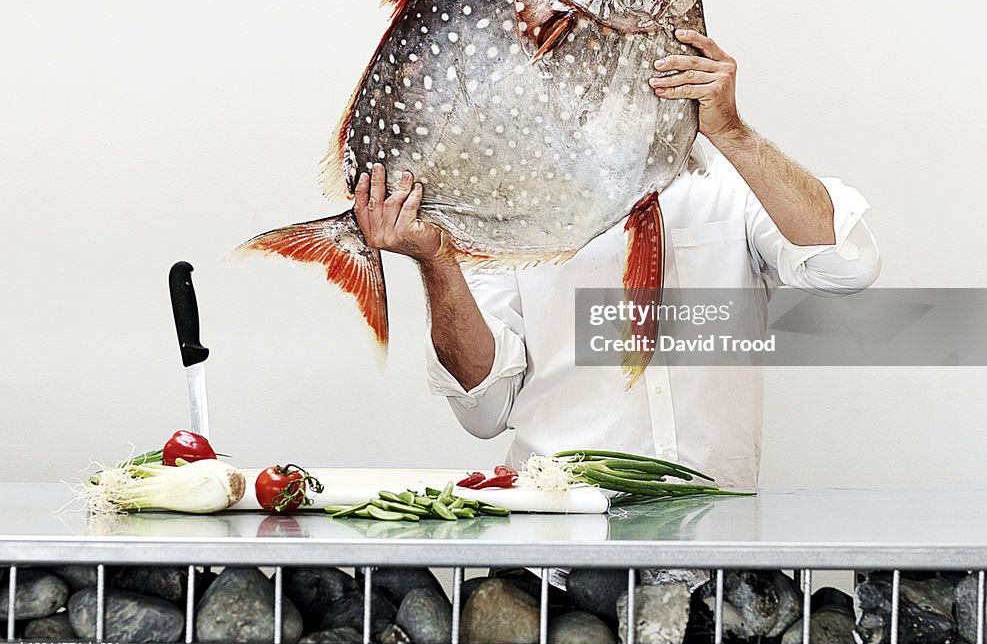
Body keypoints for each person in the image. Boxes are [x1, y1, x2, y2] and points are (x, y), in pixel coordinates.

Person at [352, 28, 881, 487]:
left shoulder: (730, 180)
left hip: (714, 540)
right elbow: (484, 410)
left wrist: (733, 134)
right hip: (559, 541)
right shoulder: (507, 207)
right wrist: (438, 261)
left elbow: (846, 266)